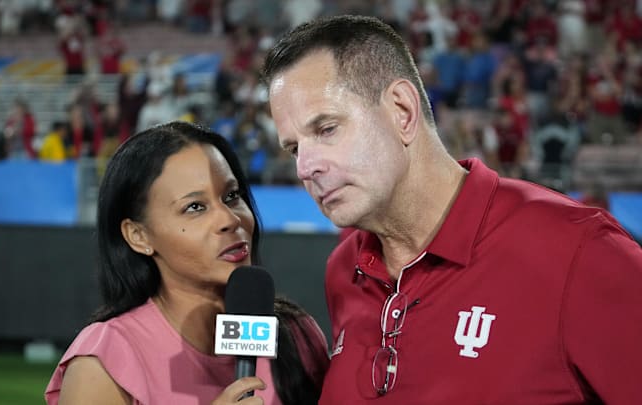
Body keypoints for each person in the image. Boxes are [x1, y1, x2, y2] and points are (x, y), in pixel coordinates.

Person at [262, 15, 642, 404]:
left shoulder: (581, 253)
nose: (305, 168)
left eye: (326, 129)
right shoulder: (345, 270)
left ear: (402, 111)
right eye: (294, 148)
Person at [44, 122, 329, 404]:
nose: (230, 219)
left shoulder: (296, 334)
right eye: (195, 207)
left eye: (231, 196)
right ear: (138, 235)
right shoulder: (105, 362)